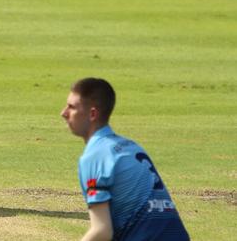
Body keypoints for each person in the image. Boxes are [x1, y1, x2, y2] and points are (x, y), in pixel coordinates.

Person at [60, 78, 189, 240]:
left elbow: (102, 231)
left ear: (92, 114)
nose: (63, 113)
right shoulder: (132, 147)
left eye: (71, 107)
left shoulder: (95, 156)